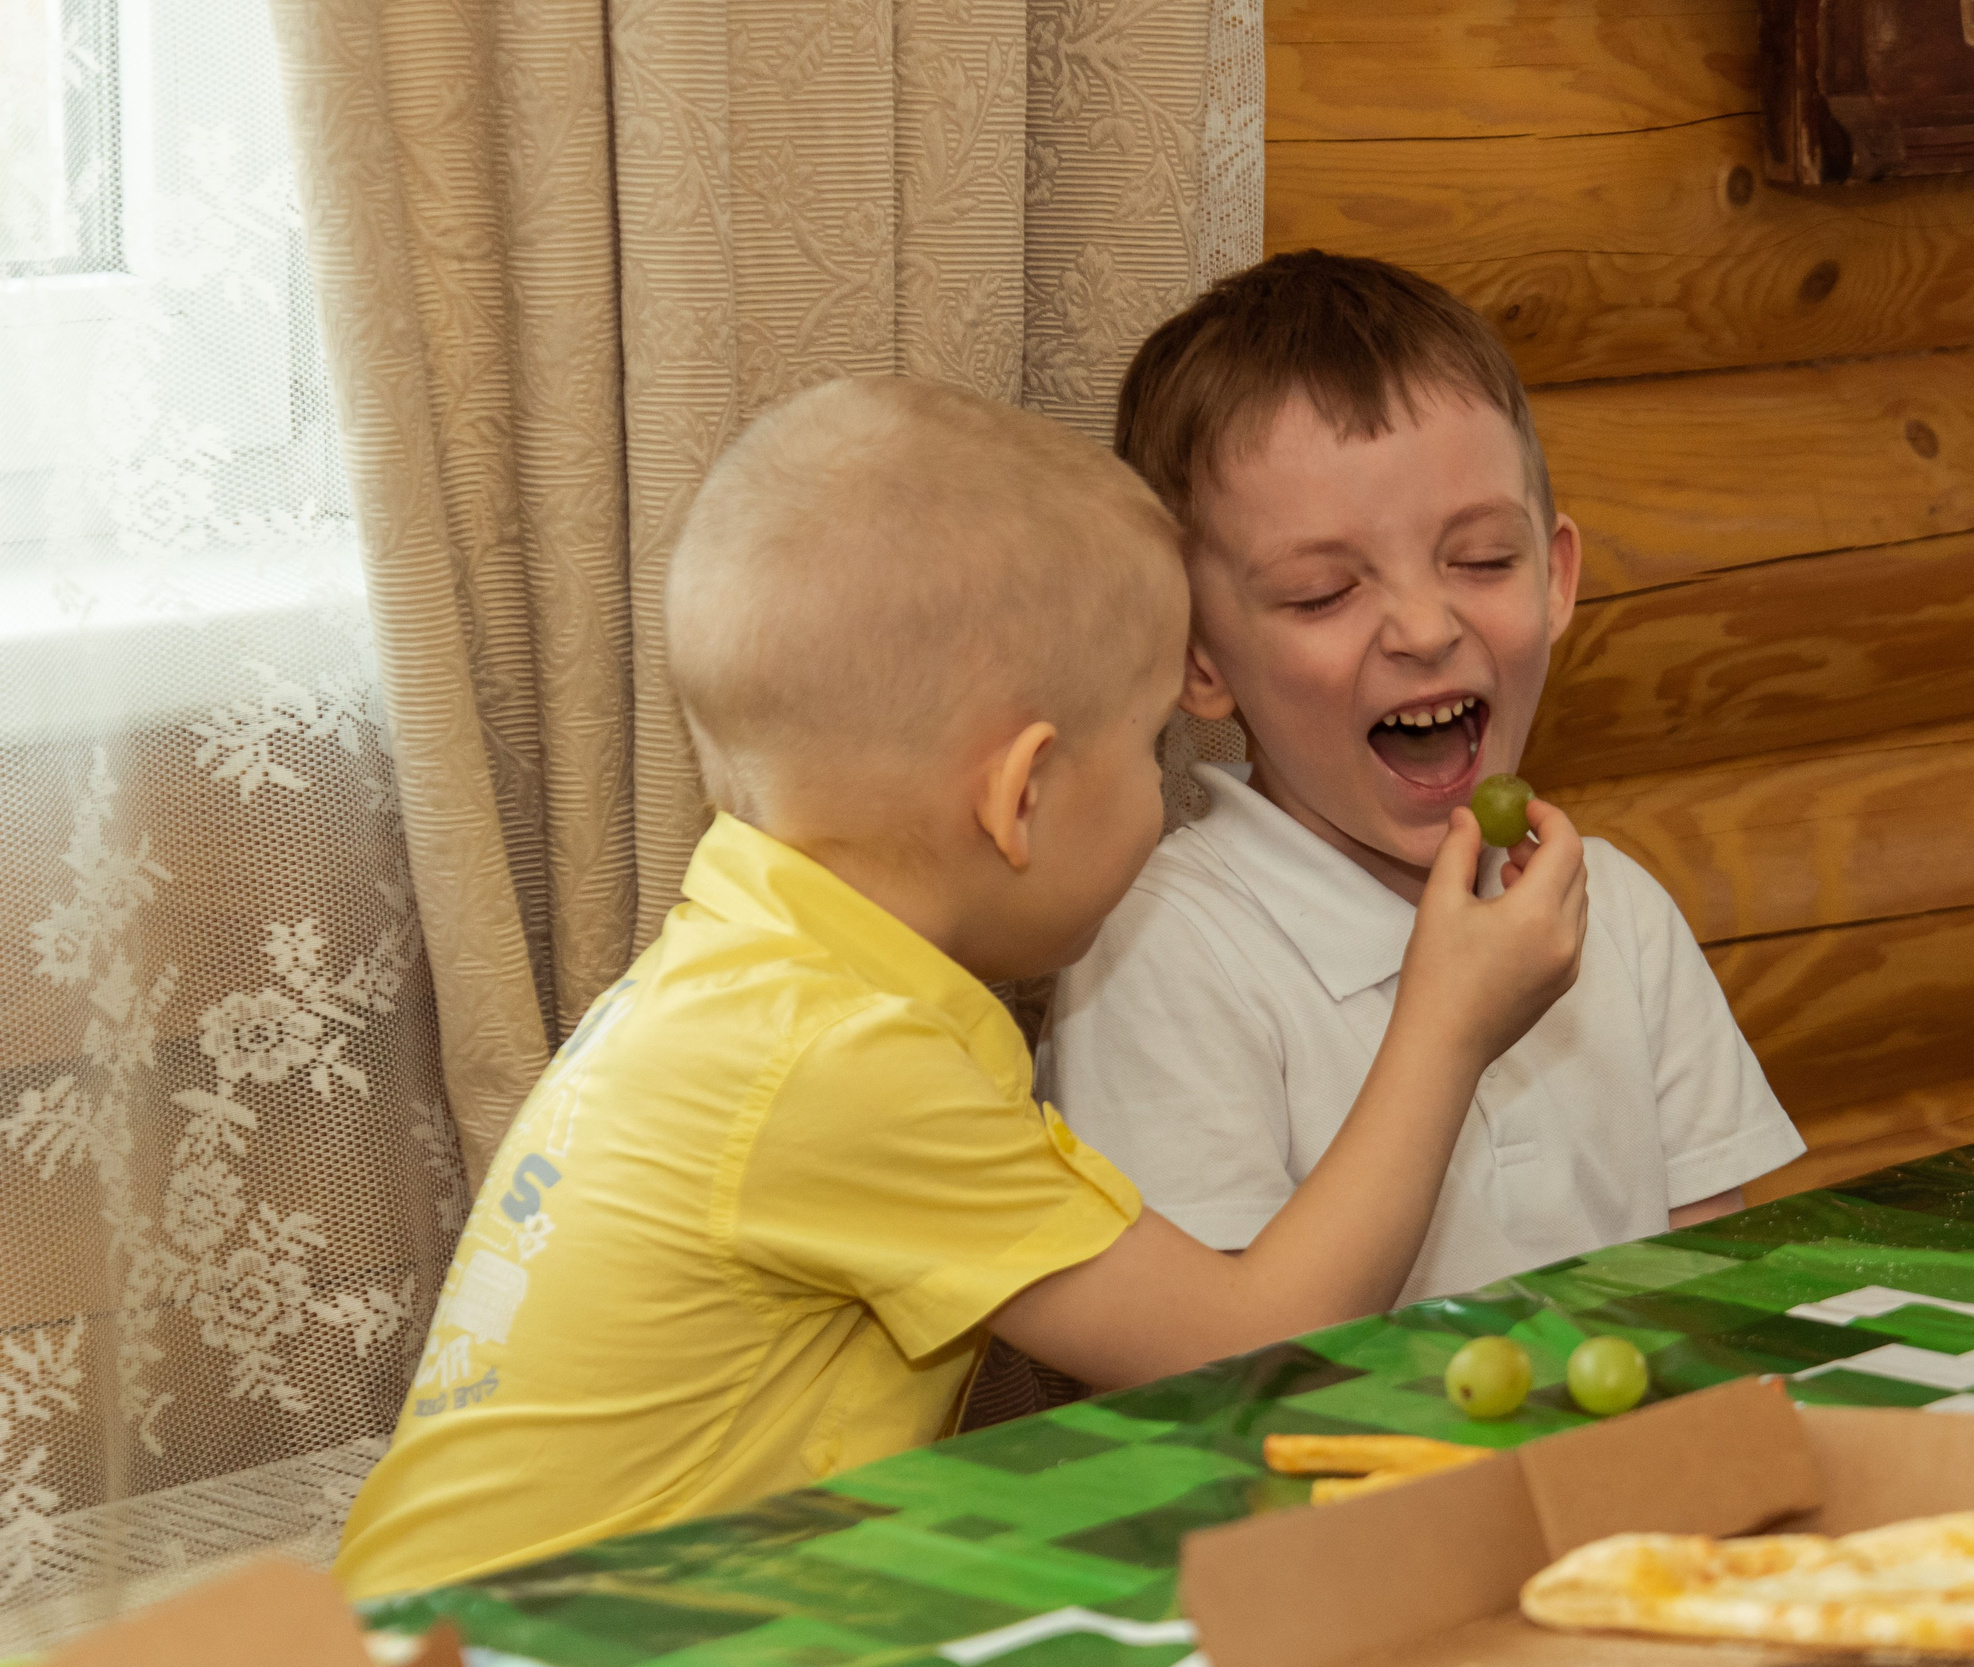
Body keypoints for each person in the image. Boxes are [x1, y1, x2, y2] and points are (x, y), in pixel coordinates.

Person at [333, 375, 1586, 1598]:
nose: (1163, 792)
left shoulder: (754, 969)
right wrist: (1447, 1024)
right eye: (1153, 743)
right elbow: (1246, 1343)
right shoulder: (841, 1061)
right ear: (1021, 794)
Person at [1040, 252, 1803, 1305]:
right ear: (1195, 656)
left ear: (1555, 579)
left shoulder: (1615, 911)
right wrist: (1449, 1028)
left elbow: (1713, 1295)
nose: (1424, 627)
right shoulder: (1159, 954)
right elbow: (1215, 1381)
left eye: (1483, 560)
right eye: (1319, 593)